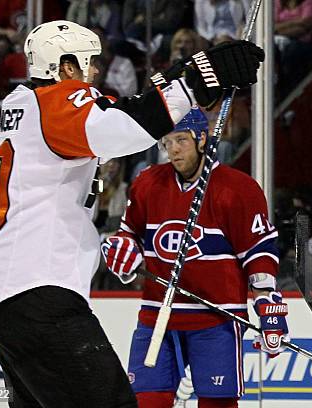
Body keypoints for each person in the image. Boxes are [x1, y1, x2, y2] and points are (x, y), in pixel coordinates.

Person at [0, 19, 264, 408]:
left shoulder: (24, 108)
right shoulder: (55, 101)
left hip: (5, 296)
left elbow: (127, 112)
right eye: (89, 63)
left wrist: (185, 80)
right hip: (35, 291)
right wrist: (198, 78)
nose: (94, 72)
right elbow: (123, 126)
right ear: (65, 67)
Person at [101, 107, 287, 408]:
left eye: (181, 140)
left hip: (216, 318)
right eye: (167, 142)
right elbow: (128, 234)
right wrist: (121, 251)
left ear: (202, 139)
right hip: (157, 314)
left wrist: (266, 300)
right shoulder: (148, 183)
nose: (173, 150)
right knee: (146, 401)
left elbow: (258, 250)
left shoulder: (237, 189)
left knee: (217, 403)